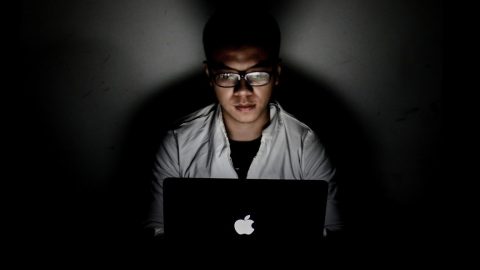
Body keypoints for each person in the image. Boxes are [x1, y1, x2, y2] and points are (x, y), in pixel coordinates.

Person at [144, 8, 344, 240]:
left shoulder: (304, 145)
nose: (243, 92)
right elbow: (158, 229)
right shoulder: (178, 142)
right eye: (227, 76)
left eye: (257, 74)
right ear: (209, 75)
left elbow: (332, 231)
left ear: (276, 74)